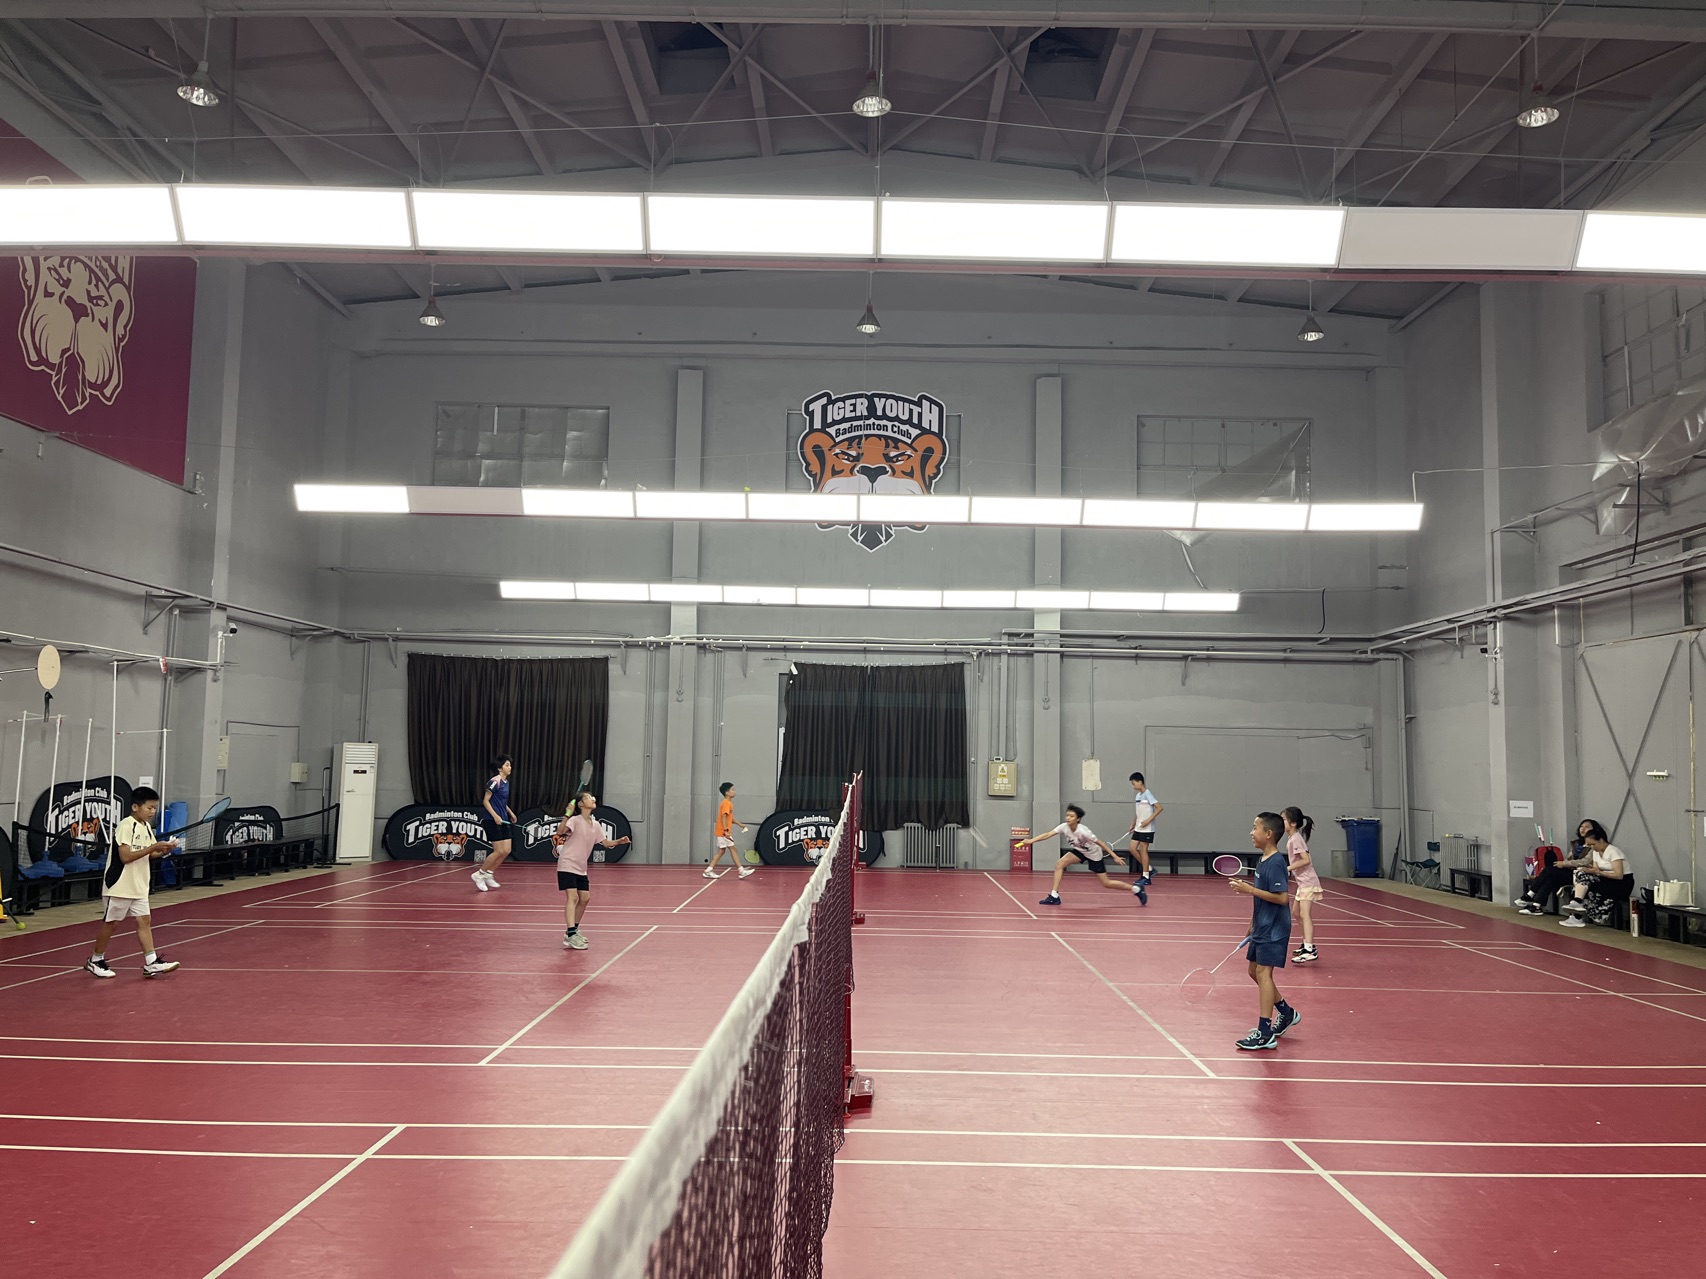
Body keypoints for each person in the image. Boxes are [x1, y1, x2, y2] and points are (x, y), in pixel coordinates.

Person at [84, 786, 181, 979]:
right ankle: (95, 960)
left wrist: (163, 851)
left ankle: (151, 962)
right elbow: (126, 857)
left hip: (139, 885)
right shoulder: (126, 825)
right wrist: (154, 847)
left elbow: (149, 853)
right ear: (136, 807)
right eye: (149, 807)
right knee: (111, 924)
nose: (153, 812)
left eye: (155, 808)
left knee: (144, 921)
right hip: (119, 885)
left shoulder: (146, 827)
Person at [1228, 812, 1299, 1050]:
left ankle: (1265, 1032)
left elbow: (1282, 898)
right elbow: (1261, 898)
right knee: (1253, 971)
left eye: (1255, 827)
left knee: (1263, 972)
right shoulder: (1262, 860)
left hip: (1275, 928)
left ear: (1268, 834)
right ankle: (1286, 1012)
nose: (1251, 832)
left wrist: (1249, 890)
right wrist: (1252, 923)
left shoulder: (1277, 862)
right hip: (1262, 925)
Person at [553, 791, 630, 950]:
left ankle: (573, 930)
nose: (592, 799)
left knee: (585, 898)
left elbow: (606, 843)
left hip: (581, 867)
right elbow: (560, 832)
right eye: (588, 797)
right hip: (567, 863)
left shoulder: (596, 825)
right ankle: (571, 934)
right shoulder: (575, 820)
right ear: (581, 804)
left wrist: (619, 841)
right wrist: (567, 814)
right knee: (573, 897)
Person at [1514, 819, 1628, 925]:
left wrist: (1567, 864)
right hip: (1582, 873)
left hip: (1615, 882)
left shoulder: (1612, 851)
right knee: (1552, 875)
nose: (1583, 829)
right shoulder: (1582, 846)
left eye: (1587, 827)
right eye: (1581, 826)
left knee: (1558, 873)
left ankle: (1532, 896)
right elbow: (1594, 868)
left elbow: (1614, 873)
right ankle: (1538, 905)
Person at [1024, 804, 1132, 906]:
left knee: (1106, 883)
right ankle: (1054, 895)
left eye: (1071, 816)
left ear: (1078, 819)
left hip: (1093, 854)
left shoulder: (1084, 832)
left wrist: (1115, 856)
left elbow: (1101, 843)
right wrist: (1030, 841)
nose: (1068, 818)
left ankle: (1135, 889)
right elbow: (1047, 834)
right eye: (1067, 815)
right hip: (1080, 851)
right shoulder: (1064, 827)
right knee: (1060, 863)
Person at [1283, 806, 1322, 963]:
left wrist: (1287, 868)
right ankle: (1307, 943)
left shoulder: (1296, 839)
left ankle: (1309, 949)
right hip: (1302, 883)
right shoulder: (1293, 839)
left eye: (1284, 819)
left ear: (1293, 823)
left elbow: (1306, 860)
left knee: (1305, 914)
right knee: (1296, 913)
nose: (1281, 822)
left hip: (1308, 882)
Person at [474, 754, 517, 891]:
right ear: (500, 768)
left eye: (510, 765)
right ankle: (479, 875)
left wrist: (510, 813)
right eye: (507, 765)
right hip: (491, 820)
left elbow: (501, 802)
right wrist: (495, 816)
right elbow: (486, 801)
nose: (510, 767)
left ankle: (489, 874)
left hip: (503, 820)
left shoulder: (506, 782)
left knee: (507, 850)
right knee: (498, 851)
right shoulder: (495, 781)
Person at [1126, 771, 1163, 905]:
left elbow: (1159, 808)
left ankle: (1146, 876)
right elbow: (1138, 812)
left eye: (1133, 783)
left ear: (1140, 782)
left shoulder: (1148, 794)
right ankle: (1150, 869)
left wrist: (1148, 820)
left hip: (1147, 828)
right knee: (1132, 848)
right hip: (1138, 827)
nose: (1133, 786)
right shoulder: (1138, 796)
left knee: (1143, 850)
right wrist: (1133, 823)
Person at [704, 781, 754, 880]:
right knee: (733, 849)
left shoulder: (728, 803)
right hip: (723, 832)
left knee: (722, 851)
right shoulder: (726, 803)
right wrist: (726, 830)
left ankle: (709, 870)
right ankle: (741, 871)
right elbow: (724, 817)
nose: (734, 792)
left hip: (722, 831)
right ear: (727, 793)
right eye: (732, 790)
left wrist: (740, 824)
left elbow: (729, 818)